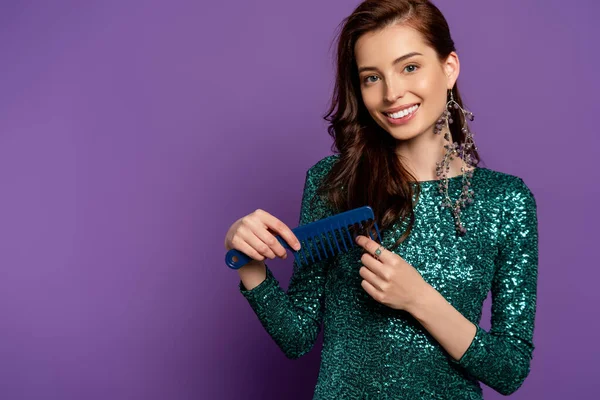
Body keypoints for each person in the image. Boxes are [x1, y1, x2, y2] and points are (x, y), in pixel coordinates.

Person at [223, 0, 538, 398]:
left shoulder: (506, 201)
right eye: (371, 77)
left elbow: (510, 369)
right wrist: (249, 264)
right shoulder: (333, 183)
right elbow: (297, 337)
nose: (392, 93)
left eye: (409, 67)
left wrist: (419, 299)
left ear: (449, 67)